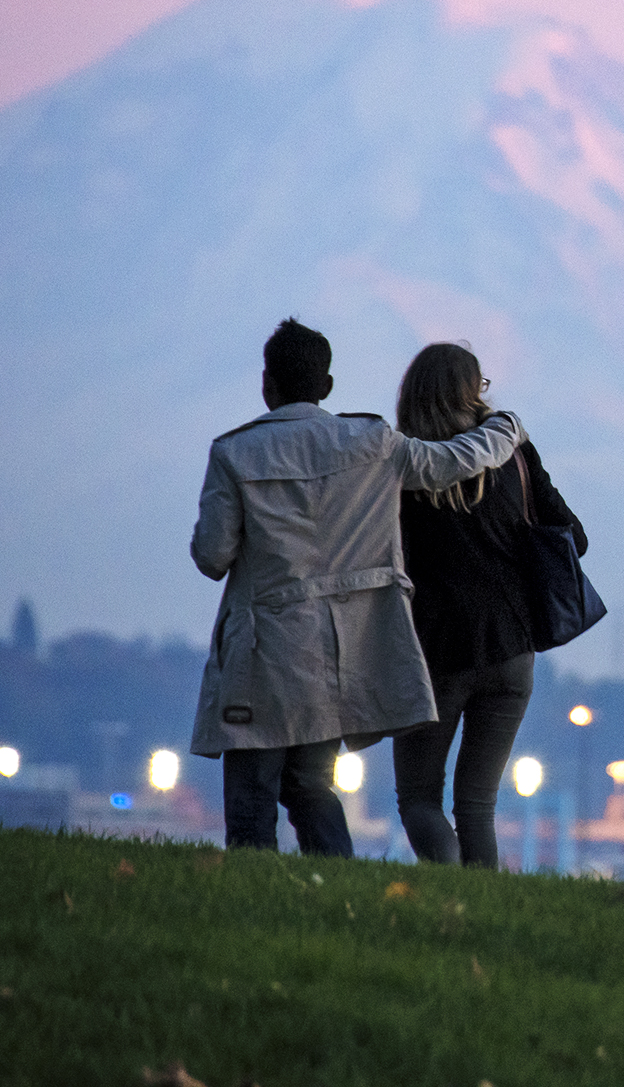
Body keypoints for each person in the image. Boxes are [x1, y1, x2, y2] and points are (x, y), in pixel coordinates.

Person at [189, 319, 524, 855]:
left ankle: (254, 904)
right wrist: (504, 429)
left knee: (253, 793)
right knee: (311, 786)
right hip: (336, 654)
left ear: (266, 383)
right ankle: (336, 885)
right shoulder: (373, 445)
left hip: (262, 653)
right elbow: (451, 463)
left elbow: (212, 556)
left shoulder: (235, 453)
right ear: (325, 386)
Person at [392, 342, 587, 868]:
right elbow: (574, 537)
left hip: (435, 654)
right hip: (511, 650)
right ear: (473, 390)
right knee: (477, 805)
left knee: (418, 798)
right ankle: (481, 907)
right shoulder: (513, 453)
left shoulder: (401, 464)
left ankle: (450, 889)